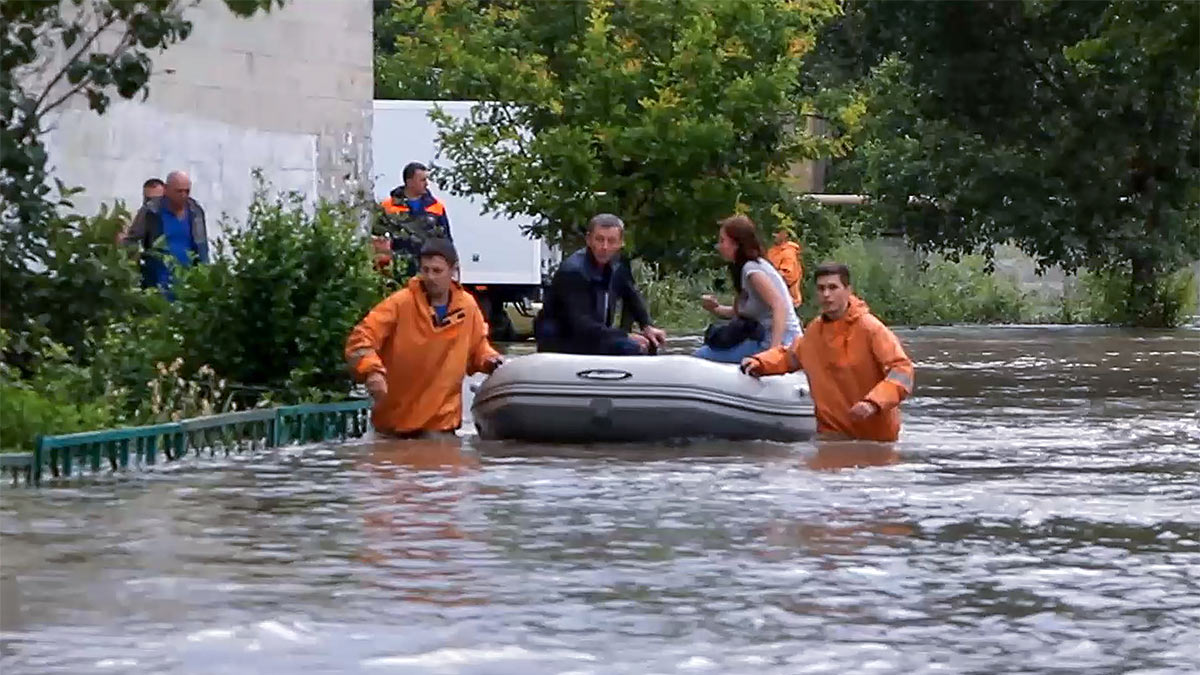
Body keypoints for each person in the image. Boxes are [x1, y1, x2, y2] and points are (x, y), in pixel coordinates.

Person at [345, 238, 503, 438]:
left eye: (437, 271)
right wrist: (372, 372)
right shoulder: (400, 303)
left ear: (453, 270)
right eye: (425, 270)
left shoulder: (468, 307)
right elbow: (360, 339)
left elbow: (478, 347)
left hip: (441, 426)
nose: (430, 277)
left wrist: (491, 361)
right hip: (395, 426)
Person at [740, 262, 915, 442]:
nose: (826, 294)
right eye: (821, 288)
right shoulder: (815, 331)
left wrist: (873, 403)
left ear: (848, 290)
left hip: (876, 439)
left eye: (833, 287)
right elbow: (789, 357)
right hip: (831, 433)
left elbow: (902, 370)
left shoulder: (871, 329)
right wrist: (760, 362)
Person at [534, 213, 667, 355]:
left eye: (611, 241)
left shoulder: (618, 265)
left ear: (621, 243)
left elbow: (631, 295)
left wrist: (647, 326)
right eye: (599, 240)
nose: (605, 247)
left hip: (594, 334)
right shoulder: (573, 271)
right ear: (588, 240)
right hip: (564, 338)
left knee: (651, 343)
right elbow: (581, 323)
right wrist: (624, 336)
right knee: (631, 347)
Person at [693, 215, 801, 363]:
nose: (719, 246)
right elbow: (738, 312)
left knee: (700, 357)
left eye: (722, 241)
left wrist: (773, 354)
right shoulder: (744, 269)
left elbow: (779, 306)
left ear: (737, 244)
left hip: (781, 342)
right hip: (762, 338)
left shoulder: (752, 270)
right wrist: (714, 308)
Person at [122, 170, 209, 294]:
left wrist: (204, 275)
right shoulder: (151, 211)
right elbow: (132, 240)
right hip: (157, 282)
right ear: (166, 190)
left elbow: (202, 246)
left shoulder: (195, 212)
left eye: (187, 191)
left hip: (187, 284)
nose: (183, 195)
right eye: (179, 191)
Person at [377, 161, 451, 276]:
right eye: (422, 180)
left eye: (426, 180)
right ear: (410, 182)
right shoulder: (388, 207)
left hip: (428, 271)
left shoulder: (436, 207)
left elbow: (446, 241)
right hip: (398, 270)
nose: (426, 184)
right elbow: (377, 239)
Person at [767, 224, 803, 309]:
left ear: (785, 235)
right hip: (773, 298)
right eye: (774, 232)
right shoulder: (772, 251)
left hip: (789, 300)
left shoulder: (788, 253)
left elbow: (786, 275)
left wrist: (765, 278)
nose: (774, 235)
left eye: (777, 233)